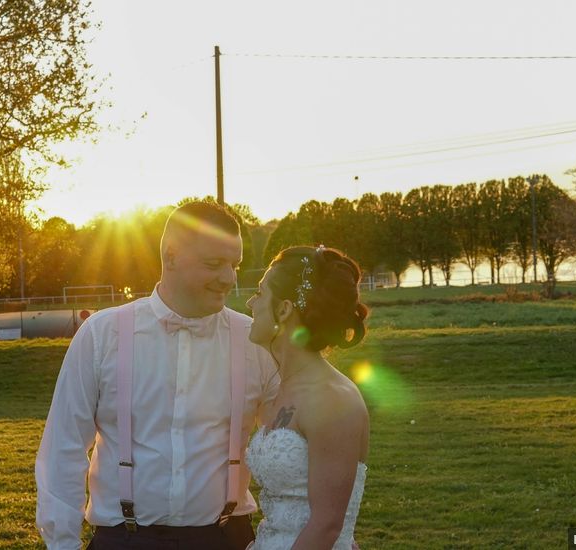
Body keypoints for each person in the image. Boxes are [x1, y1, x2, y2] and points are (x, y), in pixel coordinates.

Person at [36, 201, 278, 550]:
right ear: (171, 256)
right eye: (214, 264)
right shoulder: (102, 334)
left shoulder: (256, 342)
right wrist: (62, 544)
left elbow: (295, 447)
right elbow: (64, 447)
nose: (230, 277)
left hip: (227, 538)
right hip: (123, 538)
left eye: (234, 264)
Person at [245, 245, 370, 550]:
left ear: (284, 310)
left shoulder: (332, 399)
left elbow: (326, 525)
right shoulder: (281, 388)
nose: (250, 302)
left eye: (260, 293)